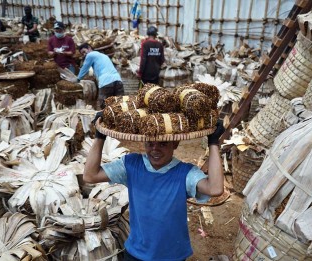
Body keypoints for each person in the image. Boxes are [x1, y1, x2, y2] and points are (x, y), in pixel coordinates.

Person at [83, 117, 225, 261]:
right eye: (150, 143)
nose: (155, 149)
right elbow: (90, 175)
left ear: (175, 143)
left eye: (162, 144)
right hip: (136, 253)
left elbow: (215, 189)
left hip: (172, 256)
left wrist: (213, 143)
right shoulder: (131, 165)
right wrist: (100, 137)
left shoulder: (185, 173)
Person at [76, 43, 124, 109]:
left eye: (84, 51)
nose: (84, 54)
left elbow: (85, 68)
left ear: (89, 48)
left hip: (106, 82)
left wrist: (78, 79)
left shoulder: (90, 55)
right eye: (82, 54)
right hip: (118, 80)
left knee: (104, 106)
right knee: (120, 105)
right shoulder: (103, 55)